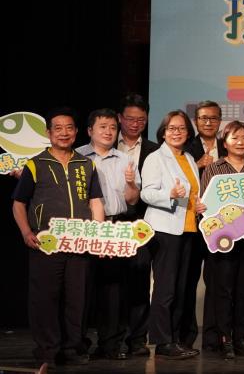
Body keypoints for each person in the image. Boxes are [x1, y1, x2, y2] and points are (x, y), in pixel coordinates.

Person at [13, 107, 105, 367]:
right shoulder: (35, 164)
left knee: (77, 299)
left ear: (76, 132)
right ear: (49, 133)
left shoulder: (86, 164)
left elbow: (96, 202)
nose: (64, 133)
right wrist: (26, 232)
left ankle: (72, 348)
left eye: (69, 128)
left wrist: (98, 237)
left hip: (79, 243)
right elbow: (19, 203)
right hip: (46, 244)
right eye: (58, 128)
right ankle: (47, 351)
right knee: (45, 298)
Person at [140, 110, 206, 360]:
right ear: (163, 132)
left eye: (181, 128)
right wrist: (169, 194)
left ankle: (175, 338)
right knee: (165, 289)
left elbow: (191, 194)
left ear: (188, 133)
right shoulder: (155, 158)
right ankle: (162, 341)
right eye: (171, 128)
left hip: (188, 230)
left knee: (181, 288)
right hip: (164, 230)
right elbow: (147, 193)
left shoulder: (188, 158)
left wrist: (198, 206)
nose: (176, 132)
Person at [77, 108, 140, 360]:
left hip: (115, 227)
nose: (108, 131)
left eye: (113, 127)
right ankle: (77, 344)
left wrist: (131, 183)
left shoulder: (125, 159)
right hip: (85, 229)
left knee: (113, 291)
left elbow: (132, 200)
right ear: (90, 130)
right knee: (81, 289)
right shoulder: (77, 156)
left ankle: (110, 345)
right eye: (103, 127)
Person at [200, 120, 244, 359]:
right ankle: (224, 339)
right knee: (223, 290)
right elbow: (205, 205)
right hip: (224, 239)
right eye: (234, 138)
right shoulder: (214, 168)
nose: (240, 142)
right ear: (224, 142)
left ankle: (241, 339)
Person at [117, 93, 159, 356]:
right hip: (109, 222)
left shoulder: (155, 150)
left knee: (140, 281)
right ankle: (111, 340)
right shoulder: (106, 143)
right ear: (120, 118)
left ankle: (137, 339)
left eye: (141, 120)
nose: (135, 124)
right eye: (130, 119)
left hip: (142, 224)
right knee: (111, 283)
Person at [181, 100, 226, 351]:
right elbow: (176, 181)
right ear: (196, 121)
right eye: (203, 118)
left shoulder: (227, 146)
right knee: (187, 281)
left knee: (216, 281)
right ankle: (184, 338)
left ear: (220, 121)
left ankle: (213, 338)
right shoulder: (186, 147)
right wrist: (197, 165)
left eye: (213, 118)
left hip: (220, 224)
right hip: (191, 224)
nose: (208, 122)